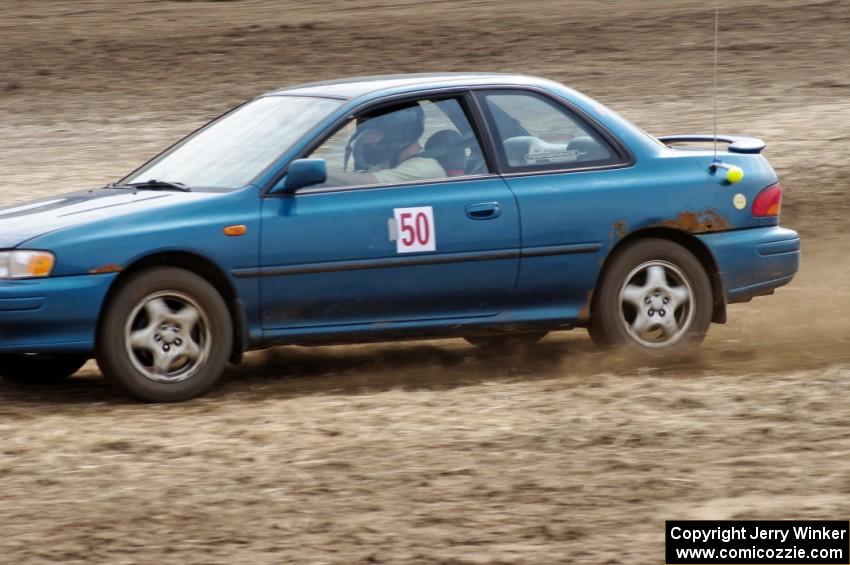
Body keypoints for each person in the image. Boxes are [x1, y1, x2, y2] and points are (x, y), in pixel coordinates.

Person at [324, 103, 446, 186]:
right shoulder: (389, 162)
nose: (368, 140)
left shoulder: (422, 169)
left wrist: (321, 172)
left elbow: (365, 183)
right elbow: (353, 180)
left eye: (375, 134)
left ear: (400, 134)